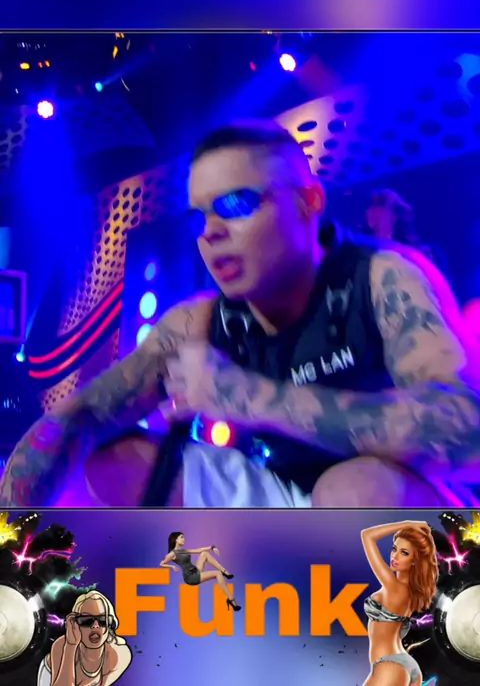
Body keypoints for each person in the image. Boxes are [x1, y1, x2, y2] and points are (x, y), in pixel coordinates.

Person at [1, 120, 479, 509]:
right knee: (114, 462)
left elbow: (468, 433)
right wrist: (11, 542)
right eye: (200, 216)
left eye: (235, 204)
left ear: (309, 202)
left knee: (352, 490)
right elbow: (77, 417)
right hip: (288, 499)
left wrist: (248, 396)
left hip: (398, 505)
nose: (210, 232)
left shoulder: (382, 276)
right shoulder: (199, 322)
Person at [361, 520, 438, 686]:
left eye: (404, 553)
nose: (394, 557)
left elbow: (367, 536)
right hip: (405, 665)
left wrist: (406, 524)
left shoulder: (395, 588)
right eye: (394, 549)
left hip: (390, 666)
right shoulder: (411, 591)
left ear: (415, 560)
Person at [37, 590, 132, 686]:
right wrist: (70, 646)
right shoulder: (61, 646)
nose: (95, 626)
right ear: (75, 623)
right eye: (86, 621)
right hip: (51, 676)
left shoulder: (119, 655)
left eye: (102, 620)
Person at [160, 531, 241, 610]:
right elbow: (162, 564)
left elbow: (199, 550)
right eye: (181, 537)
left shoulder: (183, 551)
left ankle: (225, 572)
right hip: (190, 577)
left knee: (204, 553)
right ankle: (231, 600)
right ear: (176, 539)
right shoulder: (172, 554)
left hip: (195, 570)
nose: (184, 539)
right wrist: (172, 566)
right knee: (217, 574)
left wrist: (212, 547)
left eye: (184, 537)